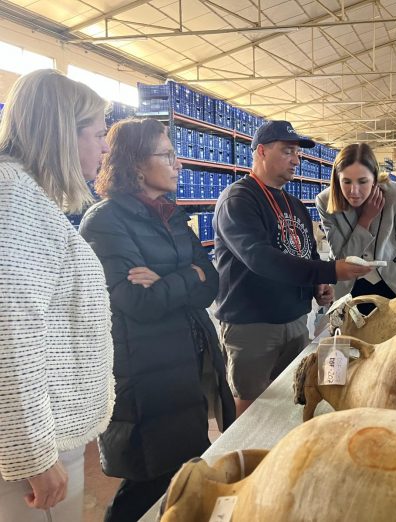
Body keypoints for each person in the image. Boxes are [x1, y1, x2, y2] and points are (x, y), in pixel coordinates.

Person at [79, 118, 235, 522]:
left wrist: (172, 280)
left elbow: (212, 281)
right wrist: (187, 276)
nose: (178, 163)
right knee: (148, 480)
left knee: (183, 470)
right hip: (145, 375)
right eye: (166, 155)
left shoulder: (173, 217)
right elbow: (136, 300)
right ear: (135, 164)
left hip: (187, 364)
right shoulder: (105, 221)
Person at [0, 69, 113, 522]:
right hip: (29, 445)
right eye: (99, 134)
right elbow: (9, 332)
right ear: (65, 135)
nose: (106, 147)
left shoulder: (22, 195)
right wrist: (34, 454)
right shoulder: (16, 201)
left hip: (32, 434)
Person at [214, 120, 371, 417]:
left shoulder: (294, 204)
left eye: (297, 153)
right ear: (261, 151)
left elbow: (305, 251)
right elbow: (260, 258)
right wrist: (331, 271)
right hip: (253, 325)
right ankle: (249, 460)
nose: (297, 160)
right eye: (288, 151)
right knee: (251, 405)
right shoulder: (239, 200)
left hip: (296, 321)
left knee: (293, 394)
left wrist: (317, 285)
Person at [316, 143, 396, 308]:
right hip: (349, 286)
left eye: (362, 181)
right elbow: (342, 258)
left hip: (393, 283)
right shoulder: (325, 201)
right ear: (336, 179)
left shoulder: (395, 194)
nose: (354, 191)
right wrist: (365, 220)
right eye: (346, 182)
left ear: (375, 178)